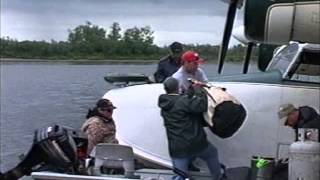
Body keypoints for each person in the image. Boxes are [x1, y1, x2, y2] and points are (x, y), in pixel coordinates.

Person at [158, 77, 221, 180]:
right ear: (178, 87)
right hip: (196, 143)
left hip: (177, 148)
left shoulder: (164, 104)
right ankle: (218, 177)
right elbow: (202, 105)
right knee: (212, 153)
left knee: (180, 175)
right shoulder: (183, 101)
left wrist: (190, 91)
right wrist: (198, 90)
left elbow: (182, 103)